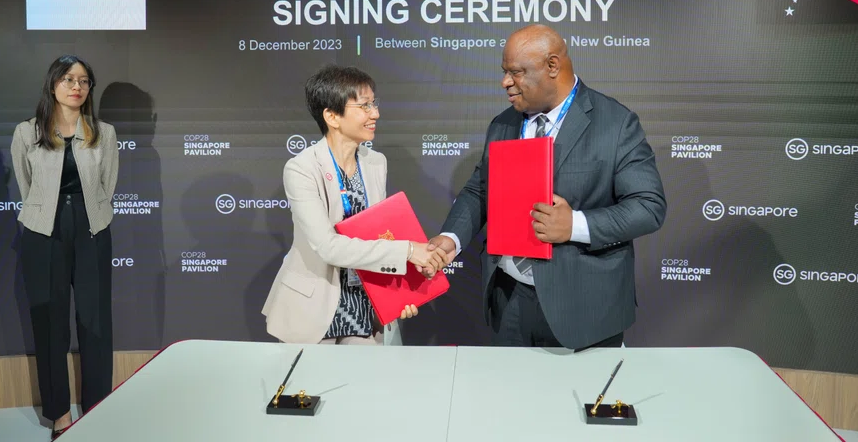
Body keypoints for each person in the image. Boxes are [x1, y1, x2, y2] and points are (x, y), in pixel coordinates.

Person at [430, 24, 667, 351]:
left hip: (584, 309)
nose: (505, 82)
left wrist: (574, 225)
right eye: (504, 72)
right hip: (508, 301)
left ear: (552, 66)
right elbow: (480, 191)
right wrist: (451, 239)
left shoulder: (615, 123)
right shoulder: (503, 124)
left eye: (516, 72)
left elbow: (648, 207)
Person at [262, 65, 447, 345]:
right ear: (332, 116)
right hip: (316, 308)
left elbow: (382, 235)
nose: (375, 113)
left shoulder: (376, 162)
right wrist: (408, 251)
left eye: (374, 104)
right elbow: (328, 247)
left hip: (366, 306)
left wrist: (403, 290)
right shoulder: (301, 169)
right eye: (364, 106)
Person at [11, 55, 119, 440]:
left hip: (92, 231)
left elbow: (108, 184)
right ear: (53, 84)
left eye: (84, 81)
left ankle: (98, 413)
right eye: (69, 79)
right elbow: (27, 187)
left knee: (95, 325)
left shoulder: (104, 132)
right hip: (44, 234)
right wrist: (45, 215)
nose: (77, 86)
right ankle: (59, 416)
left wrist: (88, 213)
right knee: (51, 327)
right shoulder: (27, 132)